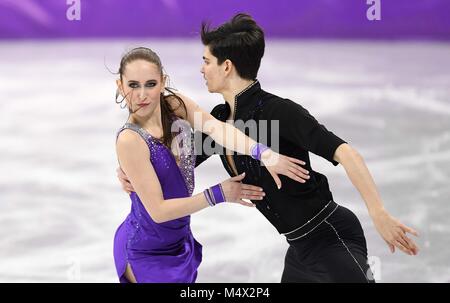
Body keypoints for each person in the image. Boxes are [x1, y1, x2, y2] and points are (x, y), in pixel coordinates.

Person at [119, 14, 420, 283]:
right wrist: (130, 172)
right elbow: (175, 163)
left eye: (206, 61)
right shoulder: (221, 119)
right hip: (299, 249)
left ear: (226, 67)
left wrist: (378, 212)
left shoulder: (279, 113)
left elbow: (345, 153)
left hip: (330, 238)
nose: (201, 69)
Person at [113, 47, 309, 283]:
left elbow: (219, 130)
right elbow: (159, 211)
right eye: (133, 85)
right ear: (120, 85)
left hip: (178, 240)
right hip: (146, 250)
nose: (142, 94)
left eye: (151, 84)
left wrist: (265, 154)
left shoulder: (175, 106)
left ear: (163, 82)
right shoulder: (130, 139)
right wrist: (218, 193)